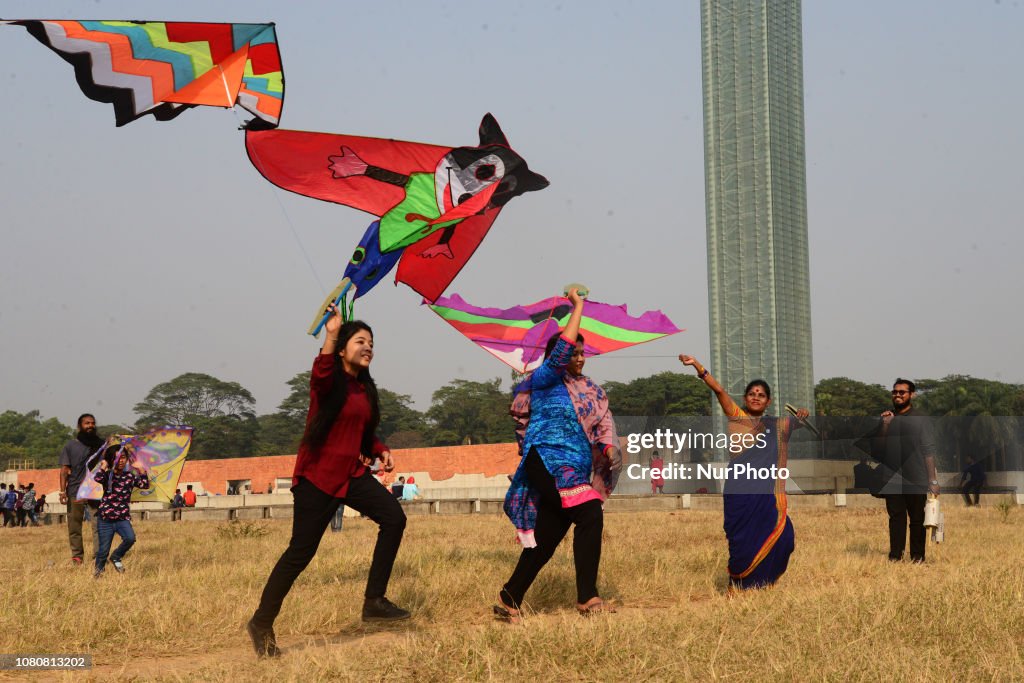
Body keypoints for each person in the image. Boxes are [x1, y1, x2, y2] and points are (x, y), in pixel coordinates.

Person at [248, 308, 409, 658]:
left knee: (394, 519)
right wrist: (331, 333)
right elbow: (321, 373)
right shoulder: (328, 381)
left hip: (351, 476)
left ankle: (374, 601)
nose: (368, 347)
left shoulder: (365, 390)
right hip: (317, 479)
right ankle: (261, 622)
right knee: (300, 554)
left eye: (371, 343)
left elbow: (364, 433)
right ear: (341, 350)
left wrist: (380, 450)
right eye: (360, 341)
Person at [497, 288, 622, 622]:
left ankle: (510, 597)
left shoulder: (592, 390)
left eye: (583, 353)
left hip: (575, 469)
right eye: (573, 352)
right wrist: (577, 306)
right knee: (590, 512)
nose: (579, 358)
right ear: (557, 356)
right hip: (547, 461)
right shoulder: (544, 379)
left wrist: (609, 449)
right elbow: (560, 351)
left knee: (548, 538)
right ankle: (587, 598)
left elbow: (604, 425)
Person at [679, 355, 806, 590]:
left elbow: (794, 424)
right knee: (741, 541)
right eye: (752, 393)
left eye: (761, 395)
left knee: (785, 538)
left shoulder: (776, 425)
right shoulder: (737, 416)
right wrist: (698, 366)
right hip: (739, 492)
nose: (756, 397)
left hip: (766, 493)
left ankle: (764, 581)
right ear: (745, 399)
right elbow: (719, 391)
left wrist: (801, 417)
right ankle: (736, 586)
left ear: (768, 402)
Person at [866, 379, 939, 563]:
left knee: (917, 520)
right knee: (896, 519)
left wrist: (933, 480)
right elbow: (879, 449)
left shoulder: (920, 419)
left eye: (902, 392)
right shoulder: (887, 418)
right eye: (895, 392)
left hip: (916, 477)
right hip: (892, 478)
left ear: (911, 395)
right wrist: (885, 425)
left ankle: (917, 557)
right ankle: (895, 556)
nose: (897, 395)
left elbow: (928, 450)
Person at [93, 443, 149, 577]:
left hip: (122, 518)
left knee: (130, 538)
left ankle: (116, 556)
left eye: (123, 457)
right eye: (116, 458)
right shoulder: (107, 476)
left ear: (127, 459)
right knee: (103, 550)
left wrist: (142, 470)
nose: (120, 460)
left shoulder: (130, 476)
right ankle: (99, 572)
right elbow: (97, 478)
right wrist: (104, 466)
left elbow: (144, 485)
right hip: (105, 519)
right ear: (111, 460)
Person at [59, 414, 104, 565]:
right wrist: (62, 491)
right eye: (87, 423)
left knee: (99, 525)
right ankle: (77, 556)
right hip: (75, 491)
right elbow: (64, 469)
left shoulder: (101, 445)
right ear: (80, 426)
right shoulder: (70, 446)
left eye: (92, 423)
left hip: (96, 491)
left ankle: (99, 556)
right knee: (74, 526)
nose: (90, 425)